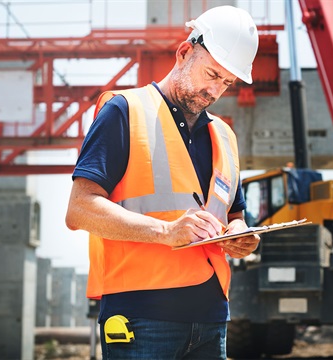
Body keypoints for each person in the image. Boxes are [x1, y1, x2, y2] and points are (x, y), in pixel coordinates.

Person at [66, 5, 260, 359]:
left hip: (212, 318)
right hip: (142, 317)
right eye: (211, 73)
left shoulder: (225, 137)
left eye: (226, 82)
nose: (214, 90)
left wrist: (240, 235)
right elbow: (79, 210)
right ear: (184, 52)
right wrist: (166, 232)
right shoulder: (124, 111)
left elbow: (235, 214)